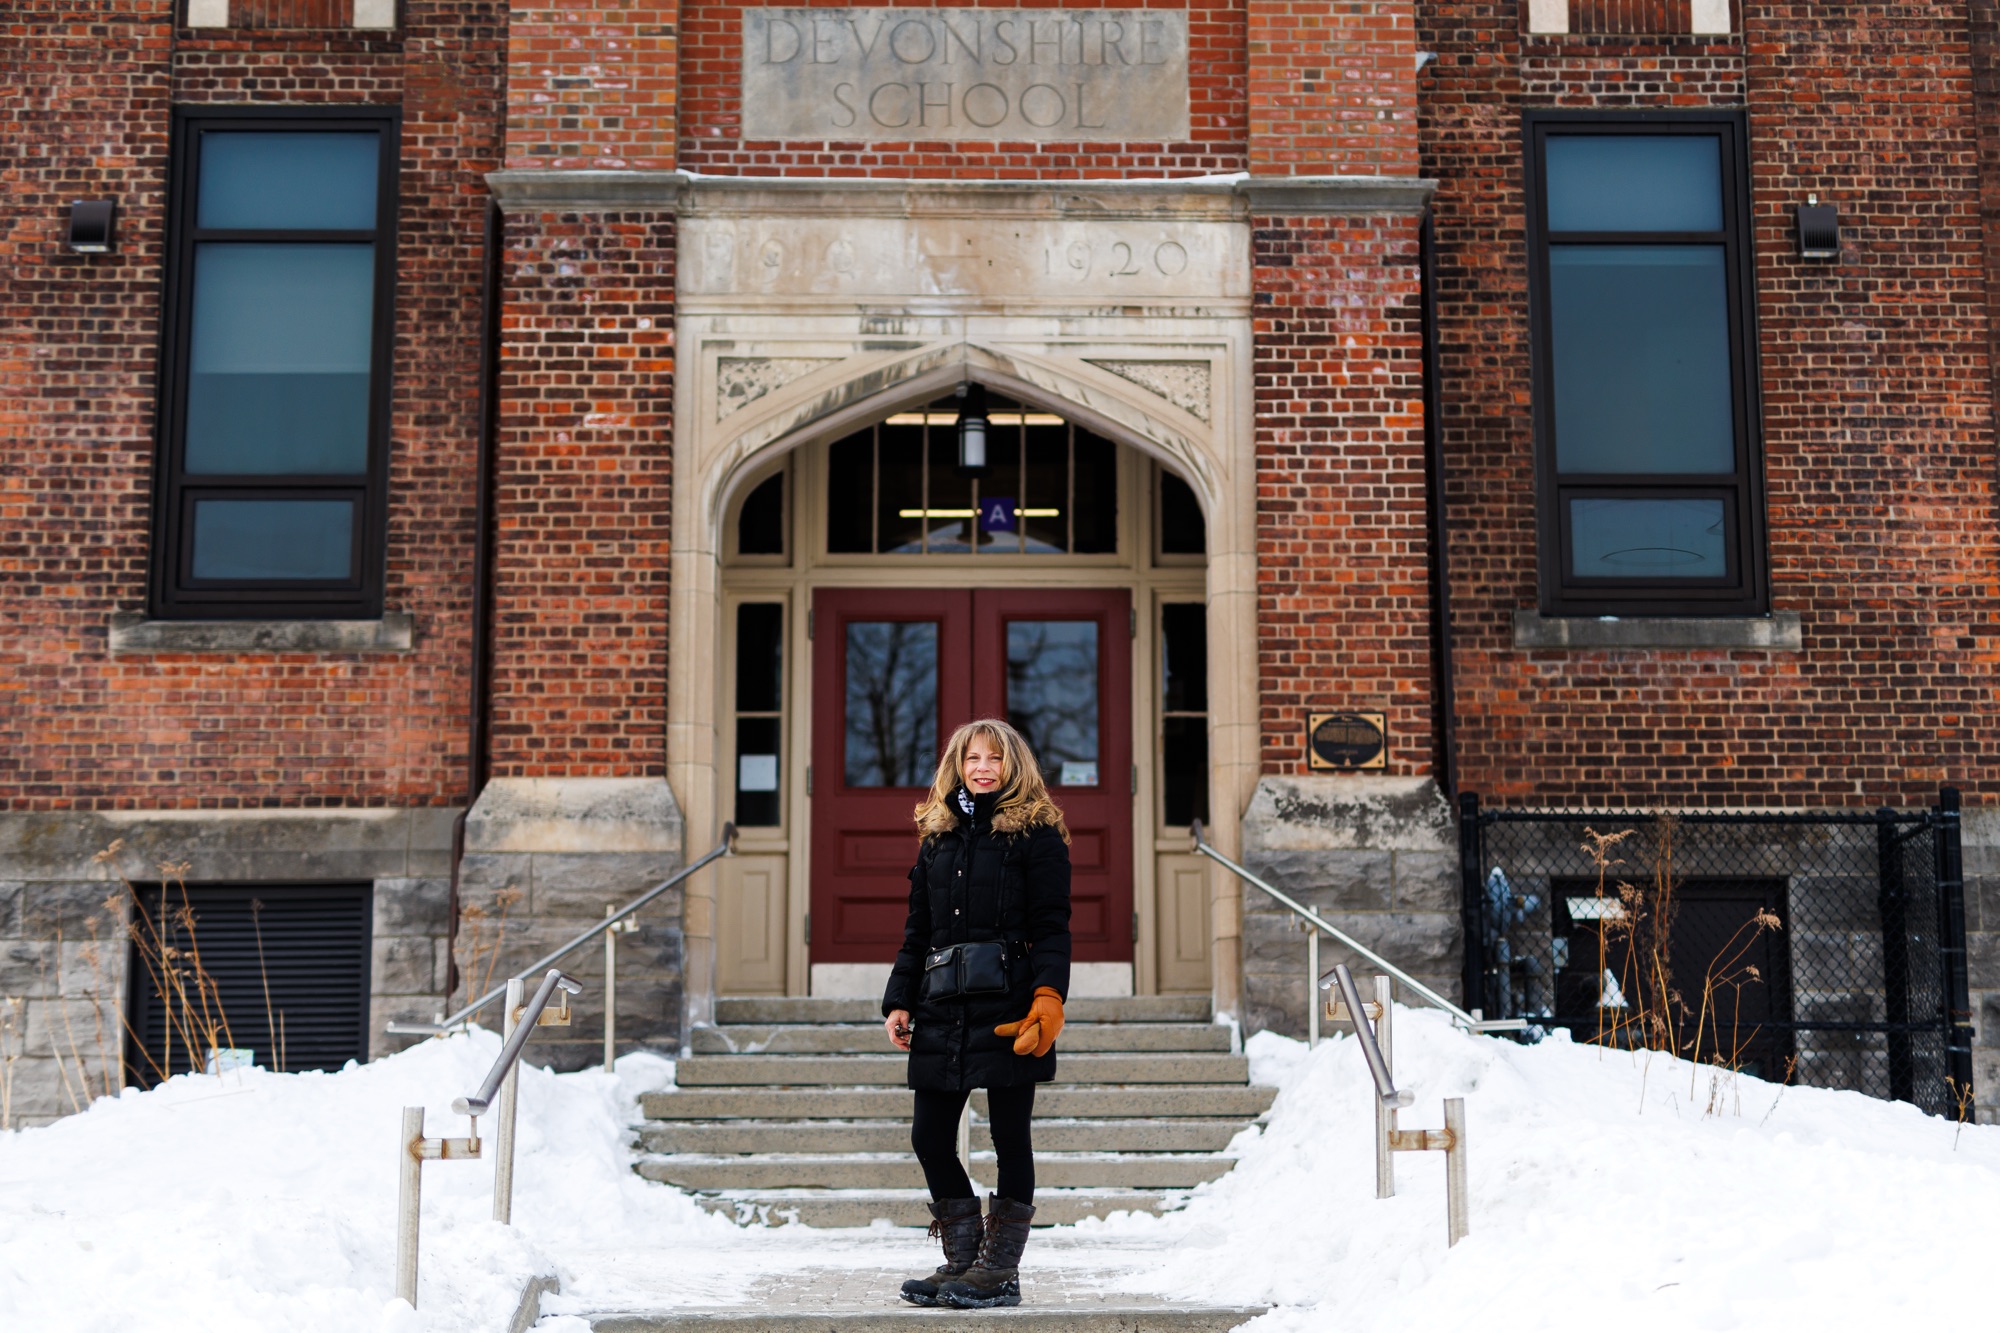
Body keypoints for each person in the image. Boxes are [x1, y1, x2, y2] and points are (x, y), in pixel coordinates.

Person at [881, 718, 1072, 1310]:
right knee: (929, 1135)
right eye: (972, 759)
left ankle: (1000, 1272)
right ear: (956, 767)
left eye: (995, 758)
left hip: (1010, 1004)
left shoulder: (1037, 835)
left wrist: (1048, 998)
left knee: (1011, 1137)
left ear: (1014, 765)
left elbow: (1051, 928)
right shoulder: (937, 837)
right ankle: (965, 1262)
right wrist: (899, 998)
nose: (983, 767)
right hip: (942, 1004)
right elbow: (918, 929)